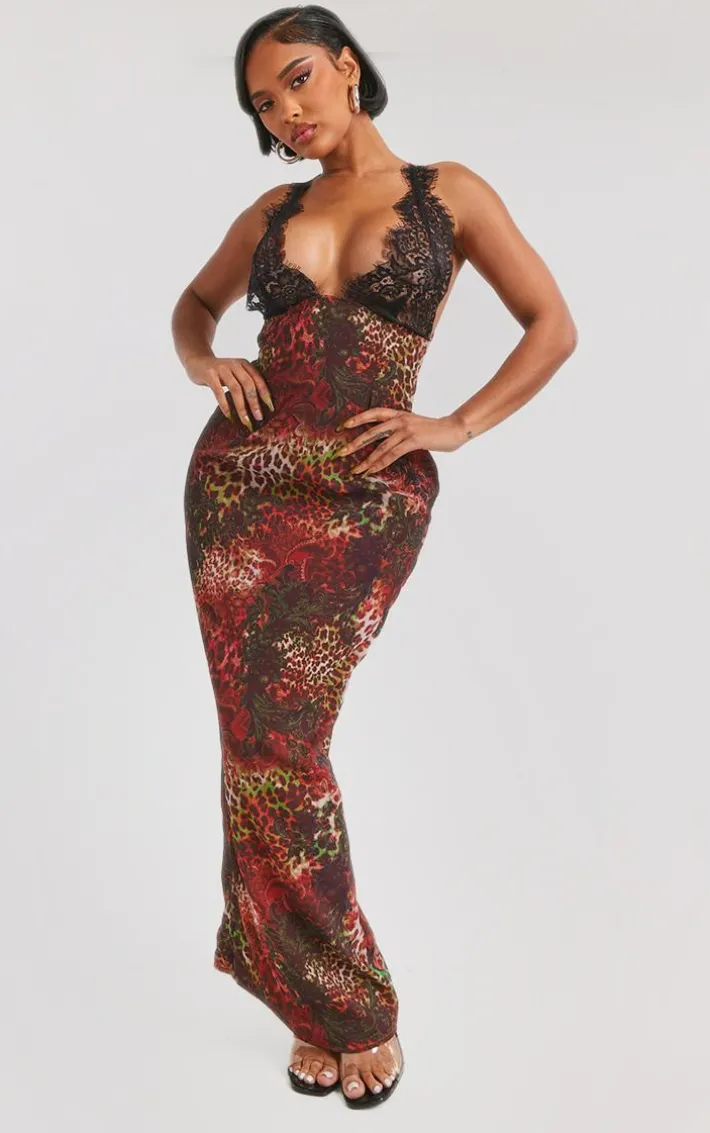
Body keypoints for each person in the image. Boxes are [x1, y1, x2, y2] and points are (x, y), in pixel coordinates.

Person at [171, 3, 577, 1108]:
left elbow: (551, 323)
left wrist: (454, 425)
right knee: (257, 744)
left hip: (367, 489)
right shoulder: (272, 210)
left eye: (298, 78)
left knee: (286, 742)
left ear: (347, 66)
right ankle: (324, 1004)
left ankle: (332, 997)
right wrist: (206, 360)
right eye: (263, 102)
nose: (285, 111)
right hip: (239, 485)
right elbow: (194, 306)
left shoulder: (449, 193)